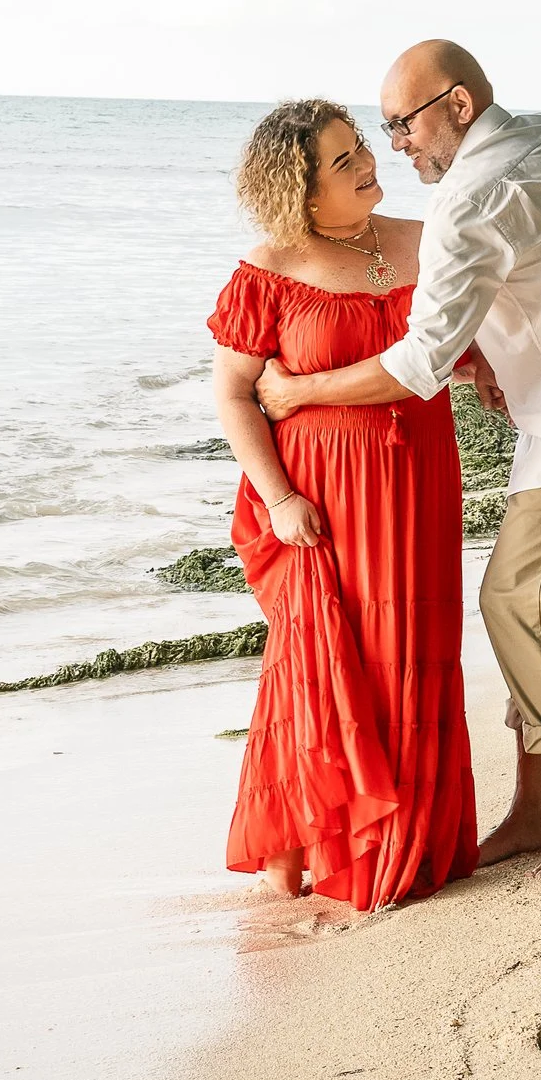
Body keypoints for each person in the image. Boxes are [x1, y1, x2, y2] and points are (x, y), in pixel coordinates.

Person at [256, 42, 541, 875]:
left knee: (517, 607)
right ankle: (533, 812)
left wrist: (298, 394)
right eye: (382, 130)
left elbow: (417, 361)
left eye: (402, 123)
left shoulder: (470, 198)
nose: (396, 145)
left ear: (459, 106)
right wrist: (494, 352)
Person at [205, 98, 481, 909]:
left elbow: (457, 342)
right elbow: (234, 395)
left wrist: (484, 368)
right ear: (302, 184)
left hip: (419, 480)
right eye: (342, 159)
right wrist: (279, 496)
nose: (368, 161)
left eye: (361, 145)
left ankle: (413, 842)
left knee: (416, 649)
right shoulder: (271, 269)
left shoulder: (423, 242)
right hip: (319, 499)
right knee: (324, 664)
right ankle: (324, 845)